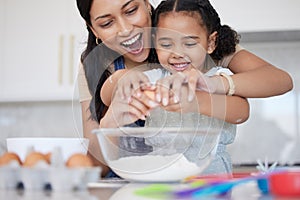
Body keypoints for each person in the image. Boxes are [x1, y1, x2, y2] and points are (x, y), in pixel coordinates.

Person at [76, 0, 293, 176]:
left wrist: (209, 89)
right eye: (106, 23)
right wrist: (120, 82)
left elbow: (274, 85)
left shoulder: (187, 29)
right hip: (148, 181)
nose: (125, 30)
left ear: (146, 4)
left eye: (131, 10)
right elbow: (97, 165)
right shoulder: (103, 67)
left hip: (207, 177)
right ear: (93, 29)